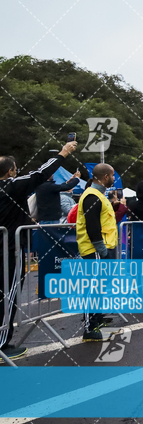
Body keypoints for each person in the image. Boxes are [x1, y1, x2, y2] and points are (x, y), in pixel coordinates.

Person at [0, 140, 77, 360]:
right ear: (10, 172)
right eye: (15, 170)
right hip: (10, 250)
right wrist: (63, 153)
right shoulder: (12, 186)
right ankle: (2, 344)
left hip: (7, 245)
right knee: (9, 295)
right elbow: (40, 173)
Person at [76, 163, 119, 341]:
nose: (114, 178)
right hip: (94, 249)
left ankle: (97, 318)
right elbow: (92, 226)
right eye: (113, 175)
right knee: (92, 288)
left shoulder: (99, 195)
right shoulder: (92, 196)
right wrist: (102, 250)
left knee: (99, 287)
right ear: (105, 177)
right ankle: (89, 328)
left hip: (101, 248)